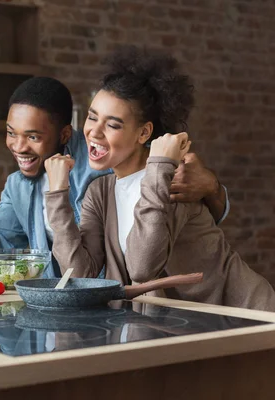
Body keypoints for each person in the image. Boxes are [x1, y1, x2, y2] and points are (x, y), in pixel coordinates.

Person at [44, 45, 275, 311]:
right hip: (186, 326)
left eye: (112, 124)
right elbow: (79, 276)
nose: (94, 132)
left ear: (144, 134)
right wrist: (57, 194)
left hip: (243, 314)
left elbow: (143, 267)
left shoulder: (177, 182)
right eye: (92, 117)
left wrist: (161, 164)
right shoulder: (101, 192)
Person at [0, 76, 229, 279]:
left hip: (158, 302)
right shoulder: (19, 186)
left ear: (64, 134)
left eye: (33, 136)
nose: (18, 146)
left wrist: (212, 187)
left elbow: (190, 218)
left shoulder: (108, 164)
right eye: (11, 133)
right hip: (82, 305)